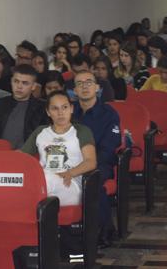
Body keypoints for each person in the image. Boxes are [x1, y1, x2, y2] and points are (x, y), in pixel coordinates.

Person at [71, 71, 121, 247]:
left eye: (89, 82)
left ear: (98, 88)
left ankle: (104, 230)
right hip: (70, 162)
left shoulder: (109, 114)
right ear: (74, 90)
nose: (85, 86)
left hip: (99, 163)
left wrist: (86, 166)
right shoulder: (68, 112)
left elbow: (108, 148)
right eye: (79, 83)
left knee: (91, 182)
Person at [21, 90, 97, 206]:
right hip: (44, 183)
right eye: (55, 108)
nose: (60, 113)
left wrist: (70, 173)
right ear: (48, 112)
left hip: (70, 185)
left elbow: (91, 162)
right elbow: (21, 156)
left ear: (71, 109)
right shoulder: (41, 132)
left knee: (41, 180)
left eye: (64, 107)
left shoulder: (81, 131)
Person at [0, 64, 48, 149]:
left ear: (33, 86)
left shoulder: (42, 109)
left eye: (25, 83)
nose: (19, 86)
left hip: (28, 158)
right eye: (16, 81)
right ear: (11, 81)